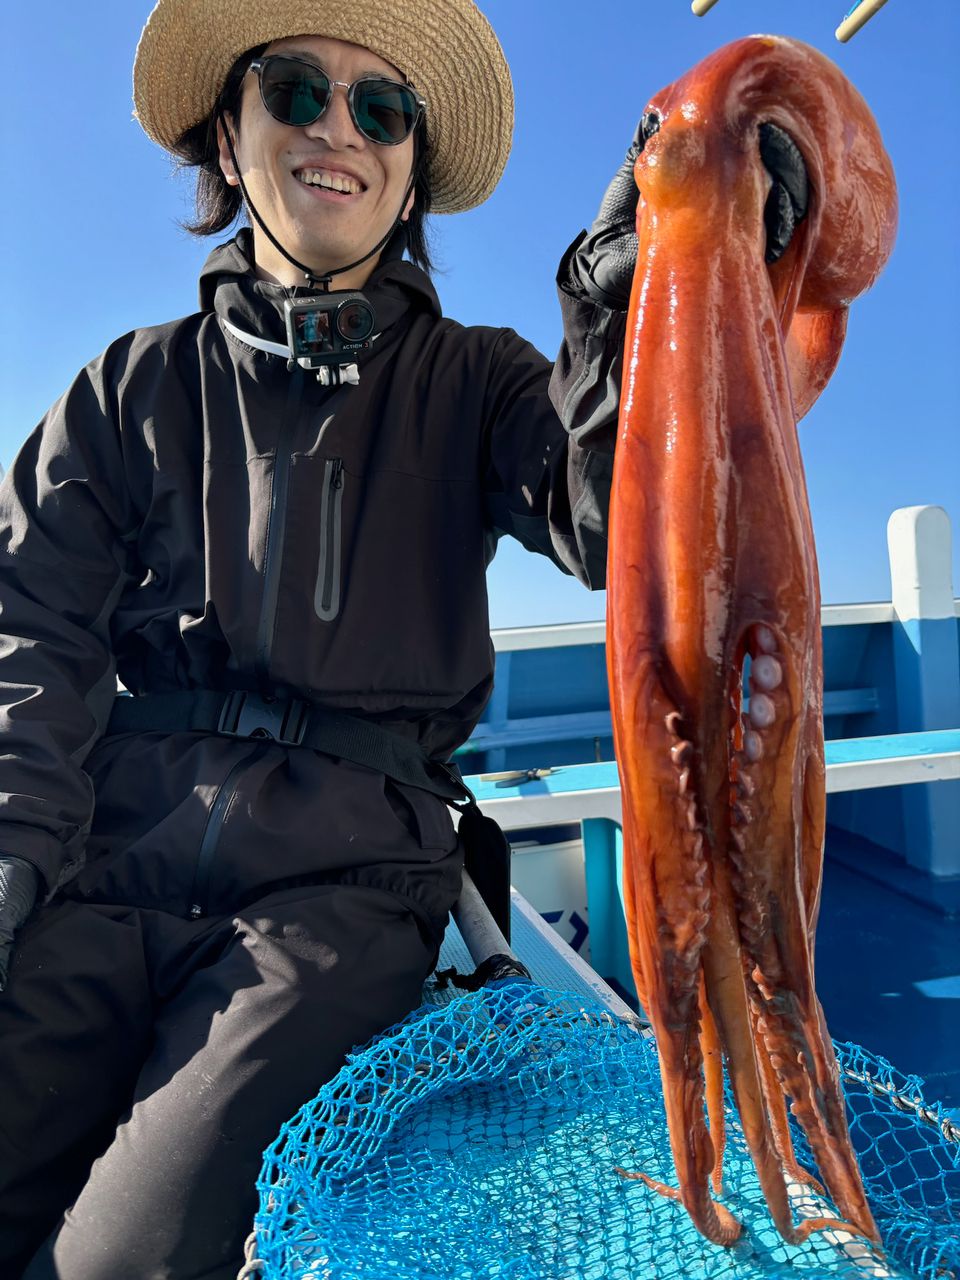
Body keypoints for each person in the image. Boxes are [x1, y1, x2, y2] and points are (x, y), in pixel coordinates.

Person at [0, 3, 804, 1275]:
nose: (340, 130)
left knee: (117, 1259)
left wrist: (640, 301)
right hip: (103, 861)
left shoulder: (481, 383)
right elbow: (26, 638)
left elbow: (622, 522)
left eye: (383, 111)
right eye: (296, 91)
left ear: (413, 166)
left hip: (338, 897)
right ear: (227, 136)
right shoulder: (126, 388)